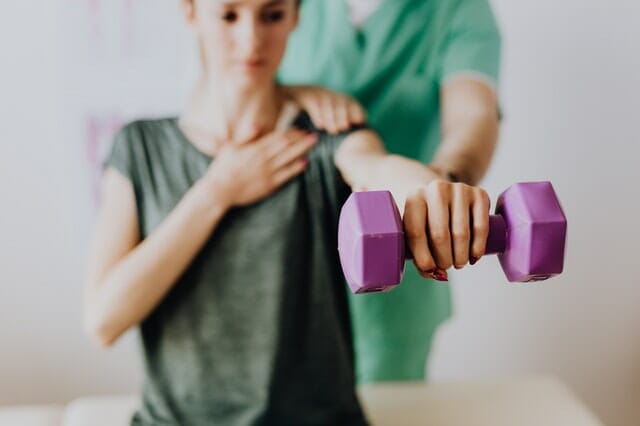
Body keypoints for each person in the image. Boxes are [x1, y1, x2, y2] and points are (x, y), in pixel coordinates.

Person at [84, 0, 490, 424]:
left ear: (297, 16)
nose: (251, 40)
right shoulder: (141, 146)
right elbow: (103, 321)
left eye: (272, 15)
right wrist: (216, 193)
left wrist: (430, 188)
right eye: (228, 16)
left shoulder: (329, 135)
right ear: (190, 12)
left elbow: (376, 166)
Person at [278, 0, 502, 383]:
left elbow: (473, 116)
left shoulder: (458, 10)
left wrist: (439, 189)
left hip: (397, 285)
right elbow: (225, 86)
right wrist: (289, 95)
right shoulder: (283, 8)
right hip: (281, 269)